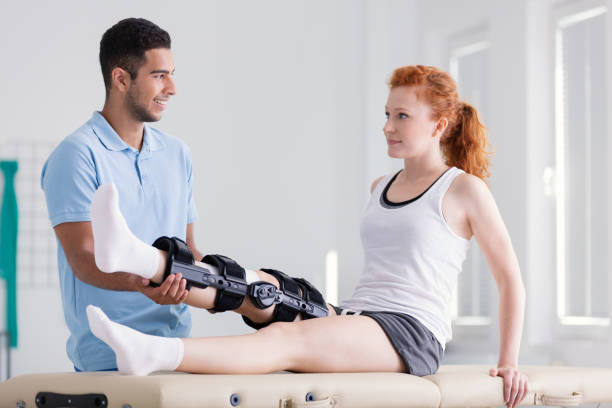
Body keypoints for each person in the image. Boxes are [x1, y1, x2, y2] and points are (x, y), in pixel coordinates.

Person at [85, 65, 528, 408]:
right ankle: (136, 256)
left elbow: (510, 279)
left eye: (403, 116)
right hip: (355, 316)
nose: (388, 126)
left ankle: (156, 353)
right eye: (387, 114)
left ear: (440, 126)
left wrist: (508, 361)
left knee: (283, 342)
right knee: (257, 288)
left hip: (411, 334)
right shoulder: (381, 187)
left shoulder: (463, 189)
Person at [40, 18, 196, 372]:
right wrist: (143, 283)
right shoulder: (76, 154)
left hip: (177, 351)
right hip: (108, 359)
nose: (172, 88)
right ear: (121, 79)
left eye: (171, 74)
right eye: (159, 75)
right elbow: (83, 258)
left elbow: (189, 248)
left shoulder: (177, 154)